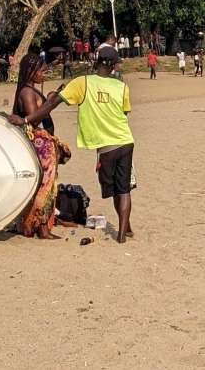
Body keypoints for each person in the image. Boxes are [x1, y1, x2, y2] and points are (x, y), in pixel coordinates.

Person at [10, 46, 135, 243]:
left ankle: (122, 232)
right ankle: (123, 232)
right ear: (114, 66)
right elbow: (125, 114)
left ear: (96, 60)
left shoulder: (82, 82)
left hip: (106, 145)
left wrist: (26, 120)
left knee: (113, 189)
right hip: (126, 140)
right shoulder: (122, 86)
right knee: (124, 187)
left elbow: (52, 105)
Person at [11, 54, 72, 239]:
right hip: (40, 144)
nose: (44, 75)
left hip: (45, 142)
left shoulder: (31, 90)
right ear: (31, 71)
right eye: (42, 71)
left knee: (48, 186)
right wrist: (52, 103)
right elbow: (33, 119)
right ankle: (43, 229)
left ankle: (43, 225)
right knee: (45, 187)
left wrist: (49, 99)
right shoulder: (27, 92)